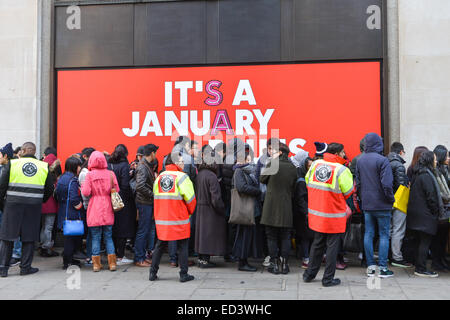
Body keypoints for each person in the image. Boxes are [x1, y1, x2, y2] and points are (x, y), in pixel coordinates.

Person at [302, 143, 354, 287]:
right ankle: (328, 279)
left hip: (317, 212)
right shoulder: (342, 170)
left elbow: (308, 181)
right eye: (343, 152)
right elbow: (349, 191)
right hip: (334, 214)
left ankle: (309, 275)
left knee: (317, 244)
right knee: (332, 247)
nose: (344, 155)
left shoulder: (316, 164)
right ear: (337, 154)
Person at [0, 142, 54, 277]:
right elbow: (49, 189)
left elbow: (1, 186)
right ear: (34, 152)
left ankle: (2, 269)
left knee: (8, 237)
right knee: (29, 237)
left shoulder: (12, 164)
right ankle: (25, 268)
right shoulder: (43, 166)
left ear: (23, 151)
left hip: (12, 205)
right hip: (33, 206)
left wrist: (3, 205)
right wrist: (39, 200)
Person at [149, 153, 197, 282]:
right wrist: (189, 213)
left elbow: (155, 196)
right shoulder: (182, 177)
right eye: (181, 161)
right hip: (179, 218)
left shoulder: (159, 177)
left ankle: (152, 273)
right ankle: (183, 274)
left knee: (159, 245)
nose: (183, 163)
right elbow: (191, 200)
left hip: (162, 219)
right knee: (182, 246)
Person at [355, 133, 395, 278]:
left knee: (369, 234)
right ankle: (383, 268)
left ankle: (371, 268)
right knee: (384, 235)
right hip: (383, 204)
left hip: (367, 203)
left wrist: (362, 198)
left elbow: (357, 183)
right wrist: (391, 199)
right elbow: (387, 184)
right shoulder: (383, 160)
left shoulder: (360, 160)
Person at [260, 143, 297, 275]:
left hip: (270, 206)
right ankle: (285, 264)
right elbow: (293, 186)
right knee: (285, 236)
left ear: (281, 152)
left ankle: (274, 264)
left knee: (271, 236)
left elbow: (262, 179)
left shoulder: (272, 164)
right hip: (286, 206)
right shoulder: (293, 168)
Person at [81, 151, 120, 272]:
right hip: (108, 206)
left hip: (94, 207)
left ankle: (96, 265)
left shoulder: (90, 175)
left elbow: (86, 192)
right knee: (108, 236)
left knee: (95, 237)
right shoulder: (111, 174)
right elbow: (117, 190)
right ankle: (112, 264)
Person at [406, 151, 444, 277]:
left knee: (420, 241)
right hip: (424, 215)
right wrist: (435, 212)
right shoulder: (426, 175)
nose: (436, 161)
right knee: (425, 242)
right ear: (429, 161)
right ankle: (421, 269)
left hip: (416, 213)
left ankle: (419, 266)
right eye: (434, 159)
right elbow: (431, 197)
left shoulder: (418, 173)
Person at [195, 145, 226, 268]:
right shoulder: (212, 177)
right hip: (210, 210)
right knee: (208, 235)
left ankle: (202, 259)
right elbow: (216, 198)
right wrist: (222, 209)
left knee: (202, 235)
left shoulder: (200, 174)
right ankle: (205, 260)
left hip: (201, 208)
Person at [232, 148, 262, 272]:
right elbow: (241, 187)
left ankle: (244, 260)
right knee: (244, 235)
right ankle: (242, 262)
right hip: (244, 209)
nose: (251, 162)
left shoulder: (247, 172)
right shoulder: (239, 171)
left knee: (246, 235)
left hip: (248, 209)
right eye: (248, 160)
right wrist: (257, 191)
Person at [108, 144, 136, 265]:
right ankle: (120, 256)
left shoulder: (109, 164)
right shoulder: (124, 165)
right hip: (122, 200)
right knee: (123, 228)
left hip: (110, 198)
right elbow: (124, 185)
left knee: (113, 227)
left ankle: (113, 254)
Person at [55, 157, 84, 269]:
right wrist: (80, 206)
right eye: (78, 166)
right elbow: (74, 198)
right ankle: (68, 262)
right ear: (74, 167)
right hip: (72, 213)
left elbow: (57, 194)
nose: (80, 168)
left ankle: (69, 260)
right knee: (71, 239)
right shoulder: (73, 180)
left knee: (68, 238)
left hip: (63, 211)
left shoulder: (61, 178)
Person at [387, 142, 411, 268]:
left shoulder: (386, 161)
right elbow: (401, 186)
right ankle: (397, 257)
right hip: (398, 201)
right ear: (401, 151)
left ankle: (389, 255)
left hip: (387, 201)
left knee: (389, 229)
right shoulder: (399, 165)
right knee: (398, 229)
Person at [134, 144, 159, 267]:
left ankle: (142, 256)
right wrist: (152, 194)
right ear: (152, 153)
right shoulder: (143, 167)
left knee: (145, 229)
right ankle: (139, 258)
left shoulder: (145, 165)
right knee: (143, 230)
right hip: (144, 203)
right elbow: (140, 186)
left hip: (146, 202)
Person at [291, 150, 314, 269]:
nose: (311, 168)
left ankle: (305, 256)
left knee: (307, 236)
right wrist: (306, 213)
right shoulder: (301, 181)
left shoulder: (307, 178)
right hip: (304, 214)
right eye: (309, 166)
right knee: (306, 237)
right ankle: (306, 258)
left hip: (307, 212)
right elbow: (301, 199)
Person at [430, 145, 450, 271]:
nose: (448, 158)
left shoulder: (444, 169)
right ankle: (437, 262)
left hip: (445, 208)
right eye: (447, 155)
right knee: (438, 237)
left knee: (443, 238)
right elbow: (442, 192)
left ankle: (441, 260)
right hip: (441, 209)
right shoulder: (436, 171)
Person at [39, 151, 62, 258]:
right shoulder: (54, 177)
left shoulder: (41, 173)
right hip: (51, 205)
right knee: (48, 227)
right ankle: (47, 248)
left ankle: (42, 246)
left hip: (41, 204)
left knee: (44, 227)